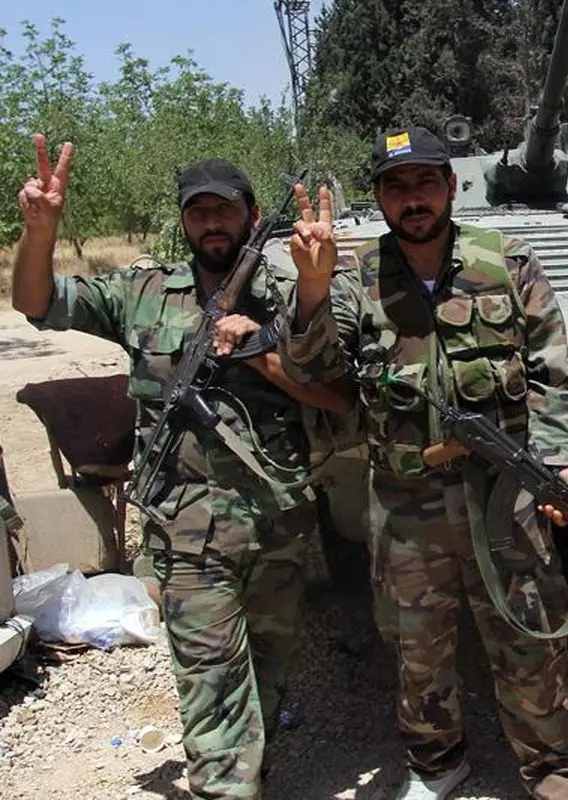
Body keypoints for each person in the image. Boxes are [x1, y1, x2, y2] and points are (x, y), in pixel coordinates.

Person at [11, 134, 350, 799]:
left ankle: (245, 771)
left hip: (278, 524)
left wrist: (261, 353)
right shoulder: (143, 292)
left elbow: (339, 396)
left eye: (224, 209)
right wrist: (40, 231)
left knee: (266, 673)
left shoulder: (295, 290)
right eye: (198, 212)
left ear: (252, 215)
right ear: (184, 221)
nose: (211, 223)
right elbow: (35, 301)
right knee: (211, 686)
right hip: (186, 528)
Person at [279, 125, 568, 800]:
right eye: (396, 186)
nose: (413, 198)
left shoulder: (506, 261)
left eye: (426, 182)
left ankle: (556, 768)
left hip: (505, 495)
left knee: (531, 635)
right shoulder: (353, 278)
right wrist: (311, 287)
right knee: (417, 648)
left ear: (451, 186)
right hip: (406, 505)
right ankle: (437, 764)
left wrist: (565, 460)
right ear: (380, 198)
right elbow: (312, 372)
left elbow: (552, 368)